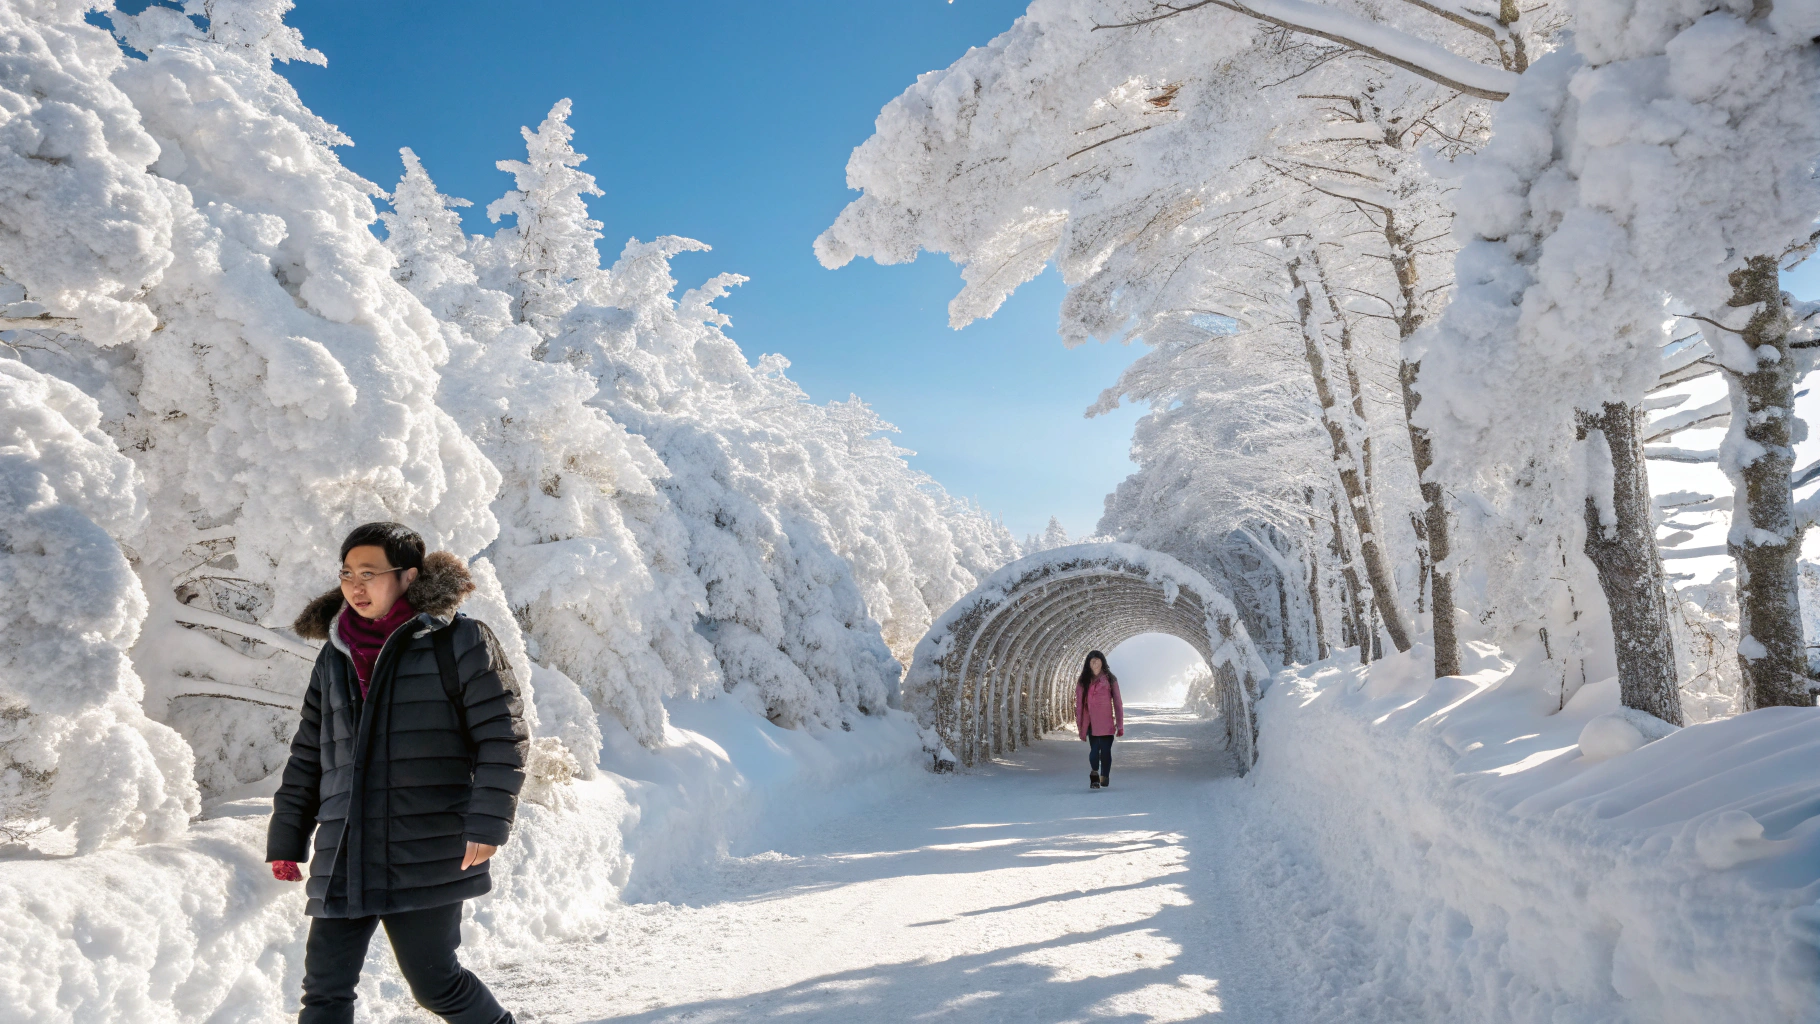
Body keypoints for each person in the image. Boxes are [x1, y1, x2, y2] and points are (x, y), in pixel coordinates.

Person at [267, 522, 528, 1024]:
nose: (355, 586)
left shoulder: (460, 640)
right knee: (323, 992)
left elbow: (502, 736)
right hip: (345, 848)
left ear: (408, 577)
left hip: (426, 845)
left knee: (436, 984)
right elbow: (309, 752)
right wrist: (287, 837)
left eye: (370, 573)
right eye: (347, 574)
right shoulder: (335, 653)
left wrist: (489, 822)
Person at [1075, 650, 1124, 790]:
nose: (1094, 663)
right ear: (1088, 664)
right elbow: (1079, 704)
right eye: (1091, 661)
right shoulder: (1083, 681)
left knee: (1106, 751)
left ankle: (1104, 776)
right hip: (1091, 723)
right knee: (1094, 752)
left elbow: (1118, 703)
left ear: (1103, 661)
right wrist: (1081, 726)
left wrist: (1120, 725)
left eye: (1097, 660)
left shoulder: (1110, 679)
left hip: (1107, 723)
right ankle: (1094, 773)